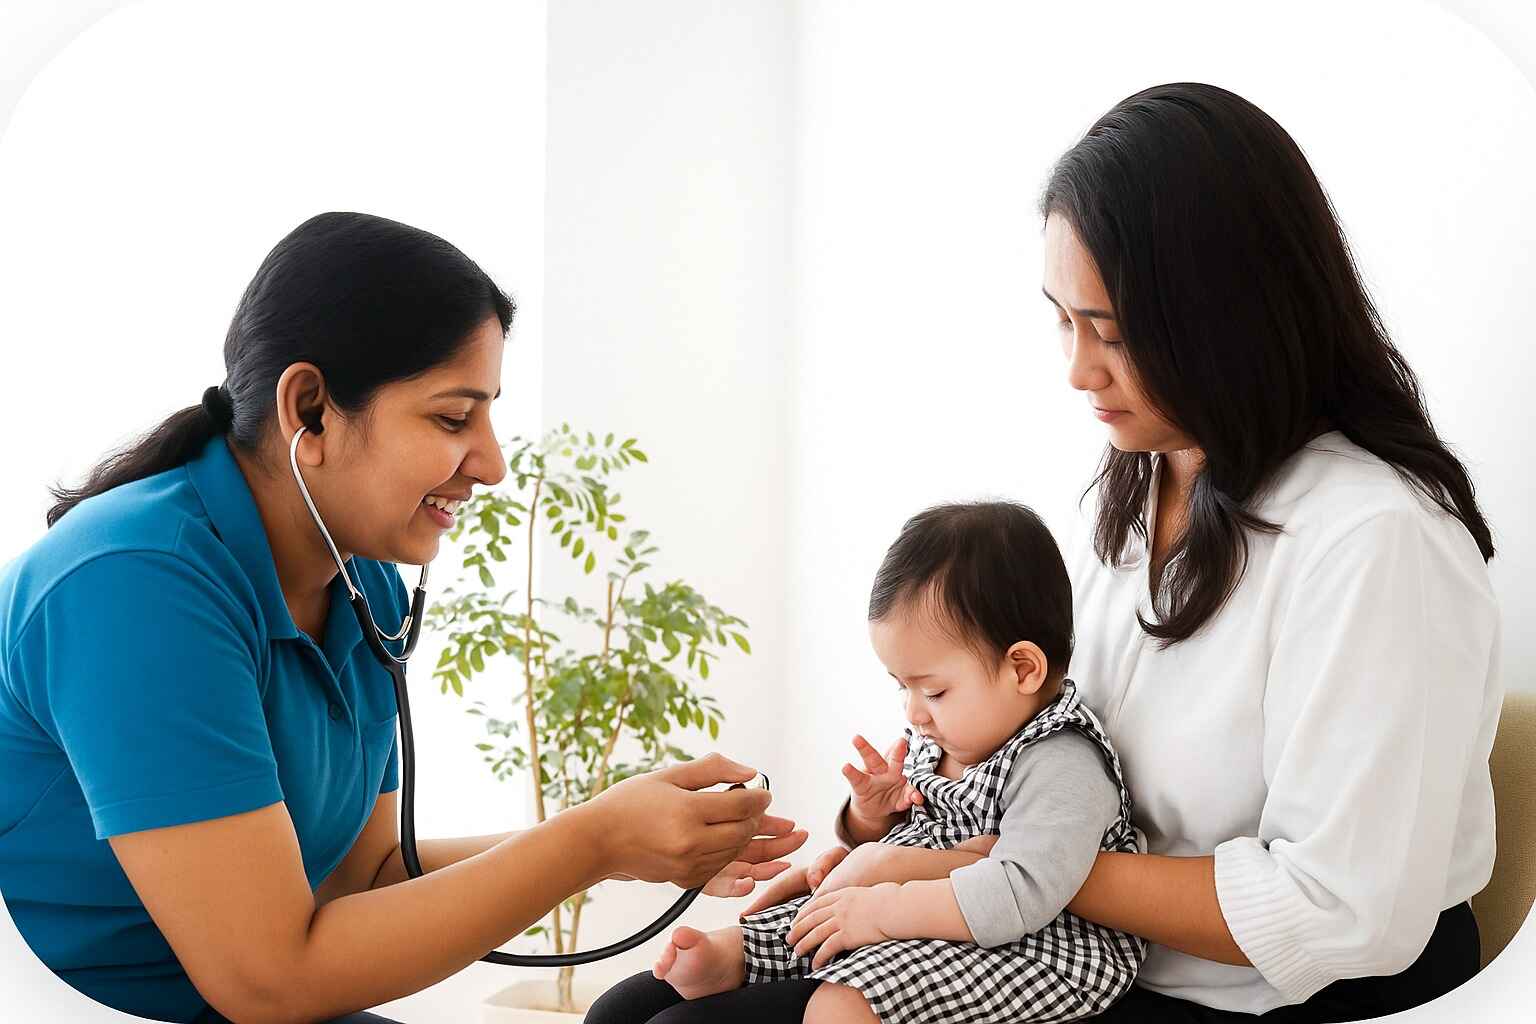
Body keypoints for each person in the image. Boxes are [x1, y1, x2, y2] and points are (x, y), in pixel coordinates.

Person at [589, 81, 1502, 1024]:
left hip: (1253, 990)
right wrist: (883, 849)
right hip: (1073, 927)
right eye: (1064, 321)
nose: (1077, 369)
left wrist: (955, 876)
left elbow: (1338, 913)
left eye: (1110, 332)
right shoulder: (1152, 479)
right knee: (635, 1006)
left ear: (1231, 315)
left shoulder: (1373, 540)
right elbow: (1041, 750)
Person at [0, 212, 806, 1024]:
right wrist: (590, 842)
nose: (491, 464)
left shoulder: (362, 577)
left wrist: (621, 841)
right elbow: (268, 980)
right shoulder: (136, 585)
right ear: (309, 409)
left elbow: (369, 876)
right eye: (455, 419)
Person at [621, 502, 1144, 1024]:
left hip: (1036, 948)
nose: (913, 712)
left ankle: (799, 973)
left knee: (845, 1002)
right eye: (903, 687)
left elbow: (1019, 894)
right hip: (928, 912)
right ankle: (740, 953)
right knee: (817, 917)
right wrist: (870, 820)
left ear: (1023, 669)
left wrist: (881, 907)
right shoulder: (955, 733)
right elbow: (918, 841)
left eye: (934, 690)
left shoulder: (1061, 760)